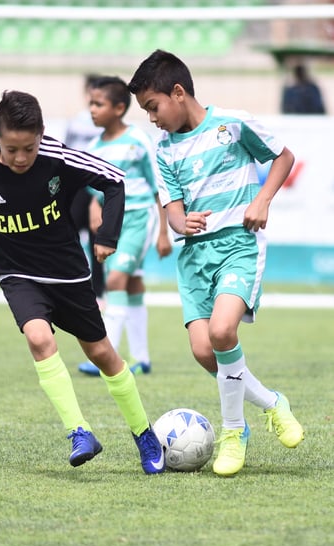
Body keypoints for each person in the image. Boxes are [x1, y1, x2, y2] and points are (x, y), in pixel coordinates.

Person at [0, 90, 165, 475]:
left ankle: (143, 434)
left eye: (29, 149)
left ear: (42, 136)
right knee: (39, 338)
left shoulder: (60, 158)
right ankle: (79, 431)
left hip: (68, 273)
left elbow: (115, 181)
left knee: (102, 354)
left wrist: (107, 236)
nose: (20, 158)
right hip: (17, 272)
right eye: (11, 149)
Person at [128, 50, 304, 477]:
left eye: (153, 107)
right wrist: (178, 221)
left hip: (237, 246)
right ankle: (271, 402)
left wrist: (262, 200)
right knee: (205, 350)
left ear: (177, 92)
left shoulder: (233, 124)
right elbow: (171, 210)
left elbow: (284, 157)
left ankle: (233, 431)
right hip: (194, 259)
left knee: (223, 332)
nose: (151, 118)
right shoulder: (164, 150)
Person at [77, 76, 172, 377]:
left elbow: (159, 185)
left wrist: (163, 231)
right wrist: (94, 206)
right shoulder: (93, 146)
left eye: (98, 104)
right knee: (131, 285)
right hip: (113, 224)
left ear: (119, 108)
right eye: (90, 103)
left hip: (140, 217)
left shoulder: (138, 139)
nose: (92, 109)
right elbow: (95, 189)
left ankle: (107, 357)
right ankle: (141, 358)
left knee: (115, 280)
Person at [65, 74, 106, 301]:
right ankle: (70, 284)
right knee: (68, 235)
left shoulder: (105, 123)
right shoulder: (76, 122)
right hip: (76, 188)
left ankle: (98, 293)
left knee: (96, 240)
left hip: (96, 188)